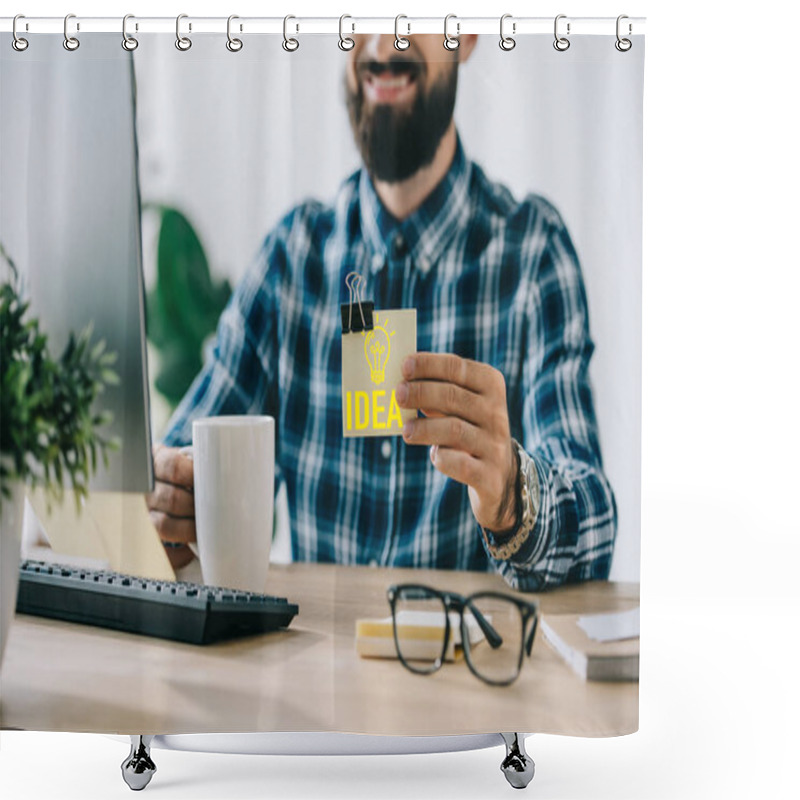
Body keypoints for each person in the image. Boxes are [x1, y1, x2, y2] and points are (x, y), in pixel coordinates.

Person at [147, 34, 616, 591]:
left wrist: (514, 493)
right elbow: (174, 470)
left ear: (463, 36)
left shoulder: (532, 255)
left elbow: (596, 529)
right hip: (313, 670)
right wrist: (162, 504)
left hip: (464, 668)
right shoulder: (291, 260)